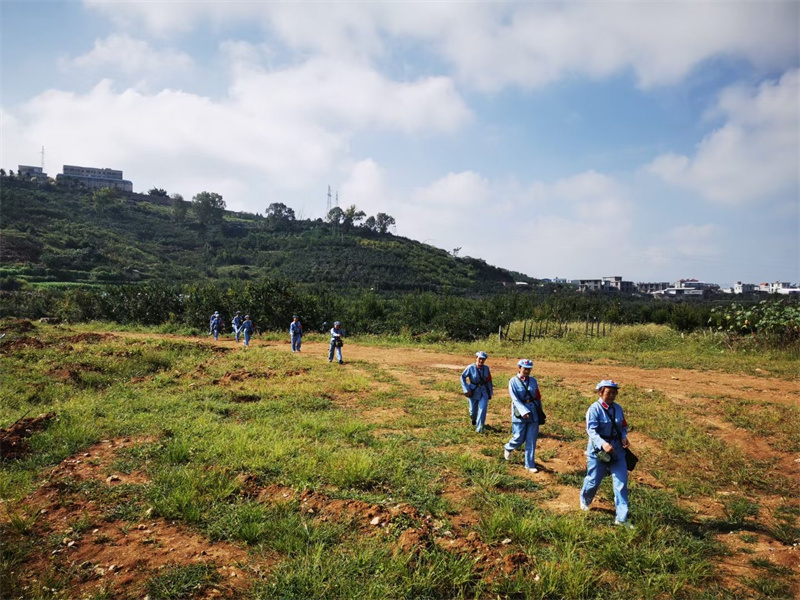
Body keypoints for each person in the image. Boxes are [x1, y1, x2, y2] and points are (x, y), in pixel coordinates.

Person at [580, 380, 632, 528]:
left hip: (617, 451)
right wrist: (603, 444)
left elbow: (623, 426)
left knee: (621, 484)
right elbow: (591, 431)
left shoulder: (618, 409)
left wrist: (623, 436)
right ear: (600, 392)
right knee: (593, 480)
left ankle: (621, 518)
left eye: (614, 393)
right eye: (608, 392)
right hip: (598, 452)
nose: (612, 396)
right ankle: (585, 499)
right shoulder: (594, 409)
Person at [503, 359, 543, 472]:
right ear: (519, 368)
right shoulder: (513, 381)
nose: (527, 371)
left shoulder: (533, 381)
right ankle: (508, 447)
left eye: (529, 369)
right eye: (525, 369)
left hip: (533, 412)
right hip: (519, 414)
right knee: (519, 437)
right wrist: (523, 411)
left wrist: (540, 411)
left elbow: (537, 396)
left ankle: (529, 464)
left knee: (531, 439)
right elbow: (514, 399)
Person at [460, 351, 493, 433]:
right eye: (480, 359)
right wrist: (466, 389)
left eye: (483, 359)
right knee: (472, 412)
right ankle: (473, 419)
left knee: (482, 409)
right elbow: (462, 377)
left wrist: (490, 392)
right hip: (473, 391)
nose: (481, 361)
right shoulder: (470, 367)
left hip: (483, 392)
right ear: (476, 358)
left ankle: (480, 429)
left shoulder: (486, 368)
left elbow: (489, 380)